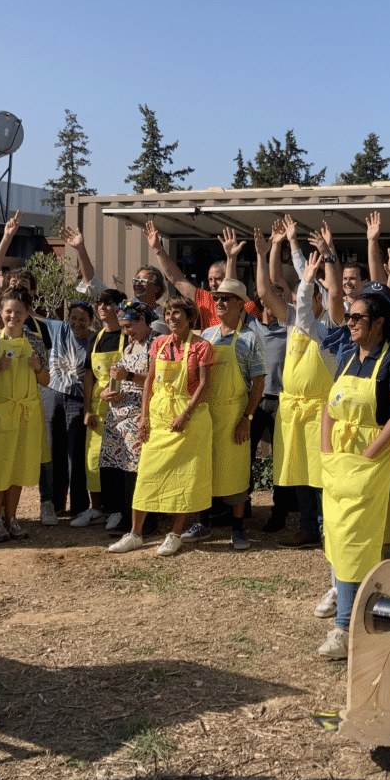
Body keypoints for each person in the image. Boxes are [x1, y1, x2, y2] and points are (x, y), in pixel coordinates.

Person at [317, 292, 390, 659]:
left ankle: (346, 627)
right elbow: (330, 406)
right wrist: (328, 449)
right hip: (340, 460)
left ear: (378, 323)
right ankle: (367, 615)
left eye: (358, 317)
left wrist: (368, 455)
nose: (350, 322)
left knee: (367, 538)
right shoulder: (346, 358)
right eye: (350, 316)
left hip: (374, 463)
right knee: (347, 537)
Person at [110, 295, 214, 555]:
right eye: (168, 314)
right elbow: (149, 381)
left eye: (178, 314)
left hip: (188, 418)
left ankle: (175, 533)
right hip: (158, 416)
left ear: (190, 317)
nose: (172, 319)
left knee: (184, 476)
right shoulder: (159, 343)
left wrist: (186, 414)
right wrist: (143, 417)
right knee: (146, 473)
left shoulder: (202, 347)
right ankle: (135, 533)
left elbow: (203, 384)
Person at [178, 277, 264, 553]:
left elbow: (258, 382)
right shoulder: (206, 336)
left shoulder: (250, 338)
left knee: (236, 472)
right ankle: (202, 523)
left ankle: (238, 529)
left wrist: (246, 419)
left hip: (234, 413)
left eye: (226, 298)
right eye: (216, 298)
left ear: (241, 304)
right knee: (204, 469)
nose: (220, 303)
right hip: (206, 414)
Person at [284, 246, 347, 552]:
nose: (298, 307)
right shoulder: (300, 325)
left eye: (305, 299)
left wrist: (330, 259)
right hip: (296, 413)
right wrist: (305, 275)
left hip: (324, 411)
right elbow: (303, 313)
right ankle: (308, 527)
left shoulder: (333, 329)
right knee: (300, 471)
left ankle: (326, 528)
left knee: (323, 473)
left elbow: (335, 296)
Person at [0, 288, 51, 543]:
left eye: (18, 312)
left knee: (18, 469)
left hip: (25, 415)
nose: (13, 316)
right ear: (1, 313)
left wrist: (38, 367)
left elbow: (46, 380)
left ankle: (12, 519)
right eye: (8, 311)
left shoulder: (36, 341)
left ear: (27, 314)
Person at [252, 225, 312, 537]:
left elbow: (274, 285)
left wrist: (289, 245)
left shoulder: (317, 322)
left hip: (300, 405)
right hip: (269, 401)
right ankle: (243, 507)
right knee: (263, 457)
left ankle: (293, 515)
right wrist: (268, 250)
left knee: (295, 465)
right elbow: (268, 287)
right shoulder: (279, 321)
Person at [98, 300, 155, 535]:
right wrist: (106, 392)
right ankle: (120, 514)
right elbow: (118, 378)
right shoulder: (130, 346)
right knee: (115, 467)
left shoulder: (156, 344)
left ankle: (144, 520)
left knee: (135, 468)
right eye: (122, 327)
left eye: (129, 326)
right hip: (118, 414)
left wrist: (129, 375)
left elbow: (155, 378)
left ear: (142, 320)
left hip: (139, 413)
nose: (126, 331)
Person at [73, 288, 126, 527]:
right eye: (99, 303)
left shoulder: (127, 337)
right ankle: (96, 508)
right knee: (92, 458)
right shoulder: (94, 339)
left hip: (121, 406)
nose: (102, 308)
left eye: (108, 303)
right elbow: (88, 377)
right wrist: (87, 410)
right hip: (96, 408)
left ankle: (117, 509)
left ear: (119, 307)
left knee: (118, 459)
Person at [64, 224, 171, 335]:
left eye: (143, 281)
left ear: (157, 288)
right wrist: (80, 249)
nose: (137, 283)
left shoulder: (166, 315)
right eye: (136, 280)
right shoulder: (122, 306)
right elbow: (92, 282)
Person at [45, 300, 97, 521]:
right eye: (73, 318)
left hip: (78, 400)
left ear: (91, 321)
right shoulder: (59, 328)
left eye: (82, 319)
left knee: (75, 456)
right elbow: (30, 317)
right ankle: (56, 504)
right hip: (55, 396)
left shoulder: (94, 340)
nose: (77, 323)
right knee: (55, 452)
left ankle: (79, 506)